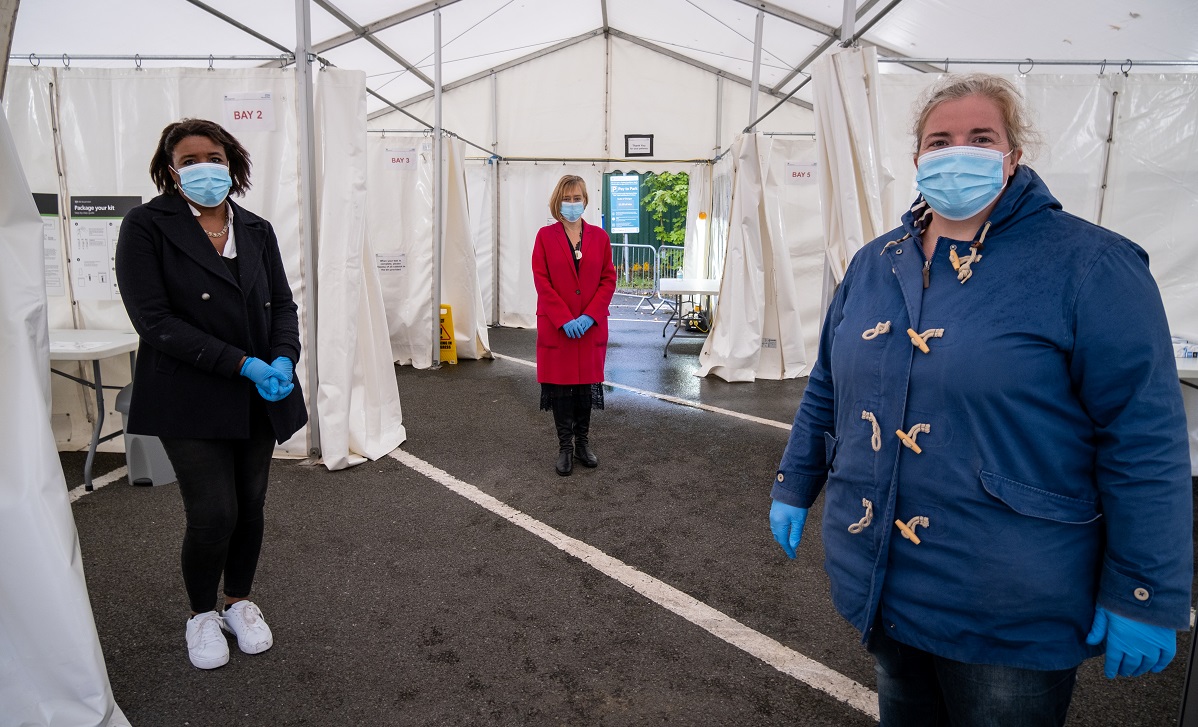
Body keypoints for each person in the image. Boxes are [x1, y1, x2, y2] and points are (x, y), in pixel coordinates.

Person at [768, 74, 1191, 726]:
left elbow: (1143, 436)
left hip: (1010, 609)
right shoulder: (875, 264)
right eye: (940, 140)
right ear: (917, 160)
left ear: (1013, 155)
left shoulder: (1090, 266)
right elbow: (828, 381)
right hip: (888, 583)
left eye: (980, 137)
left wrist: (1145, 587)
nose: (956, 151)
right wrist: (794, 481)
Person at [115, 118, 308, 670]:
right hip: (190, 392)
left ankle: (238, 602)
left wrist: (282, 359)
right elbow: (153, 320)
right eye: (192, 159)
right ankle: (201, 614)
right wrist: (241, 363)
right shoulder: (147, 226)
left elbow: (283, 305)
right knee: (212, 512)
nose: (206, 167)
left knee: (250, 507)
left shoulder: (256, 228)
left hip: (257, 392)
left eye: (216, 158)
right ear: (172, 170)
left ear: (233, 164)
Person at [532, 175, 617, 476]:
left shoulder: (600, 237)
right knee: (561, 390)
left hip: (589, 328)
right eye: (567, 198)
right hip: (559, 328)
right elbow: (542, 281)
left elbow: (608, 279)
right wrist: (564, 318)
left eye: (577, 197)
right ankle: (565, 447)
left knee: (584, 388)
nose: (572, 203)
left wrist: (590, 315)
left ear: (585, 200)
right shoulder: (545, 236)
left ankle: (583, 443)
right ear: (558, 201)